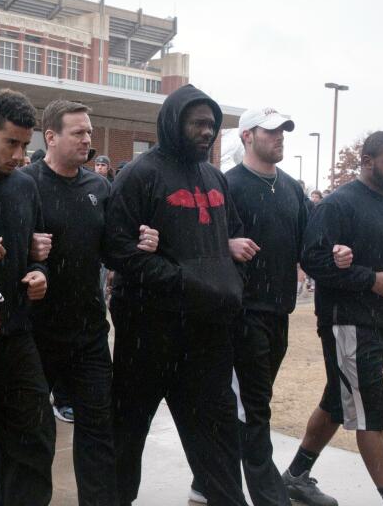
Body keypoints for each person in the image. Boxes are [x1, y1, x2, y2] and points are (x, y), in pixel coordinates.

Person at [190, 108, 346, 506]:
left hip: (279, 314)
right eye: (271, 131)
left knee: (249, 403)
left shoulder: (293, 189)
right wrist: (225, 245)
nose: (280, 138)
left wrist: (337, 256)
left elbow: (310, 250)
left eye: (283, 132)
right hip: (241, 314)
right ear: (246, 136)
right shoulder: (226, 185)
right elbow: (197, 242)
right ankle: (268, 495)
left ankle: (206, 477)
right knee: (255, 407)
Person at [103, 84, 248, 506]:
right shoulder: (140, 175)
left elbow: (233, 236)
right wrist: (187, 281)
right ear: (174, 123)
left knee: (218, 438)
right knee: (127, 434)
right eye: (198, 123)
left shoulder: (214, 176)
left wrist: (231, 281)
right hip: (149, 333)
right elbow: (117, 248)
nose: (208, 132)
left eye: (212, 125)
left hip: (207, 337)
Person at [284, 131, 383, 506]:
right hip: (347, 324)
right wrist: (368, 279)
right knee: (369, 410)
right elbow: (313, 259)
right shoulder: (339, 205)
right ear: (367, 160)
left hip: (377, 324)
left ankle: (295, 477)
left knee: (337, 404)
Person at [22, 99, 158, 505]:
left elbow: (113, 251)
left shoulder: (99, 188)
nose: (88, 139)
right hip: (35, 334)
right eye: (78, 132)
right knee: (29, 436)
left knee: (100, 433)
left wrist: (142, 245)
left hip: (89, 336)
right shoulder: (26, 183)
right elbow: (3, 251)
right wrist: (26, 247)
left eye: (89, 132)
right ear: (51, 136)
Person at [0, 88, 56, 505]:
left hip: (17, 336)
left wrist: (38, 273)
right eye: (12, 143)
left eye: (27, 145)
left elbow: (36, 251)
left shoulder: (25, 186)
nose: (22, 155)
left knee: (35, 442)